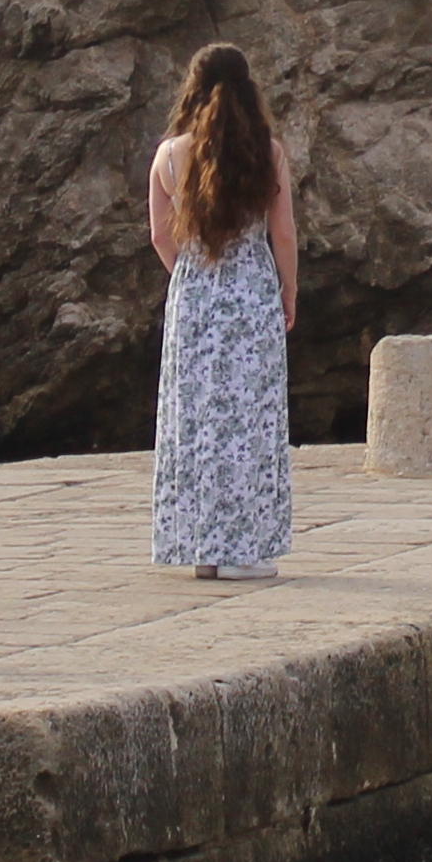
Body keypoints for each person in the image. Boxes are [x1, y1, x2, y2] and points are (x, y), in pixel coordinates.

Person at [145, 43, 300, 580]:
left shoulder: (168, 156)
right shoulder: (269, 153)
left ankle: (203, 549)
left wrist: (188, 281)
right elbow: (282, 232)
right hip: (251, 290)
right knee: (250, 418)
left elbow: (160, 236)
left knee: (197, 421)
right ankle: (244, 550)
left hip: (194, 296)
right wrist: (289, 289)